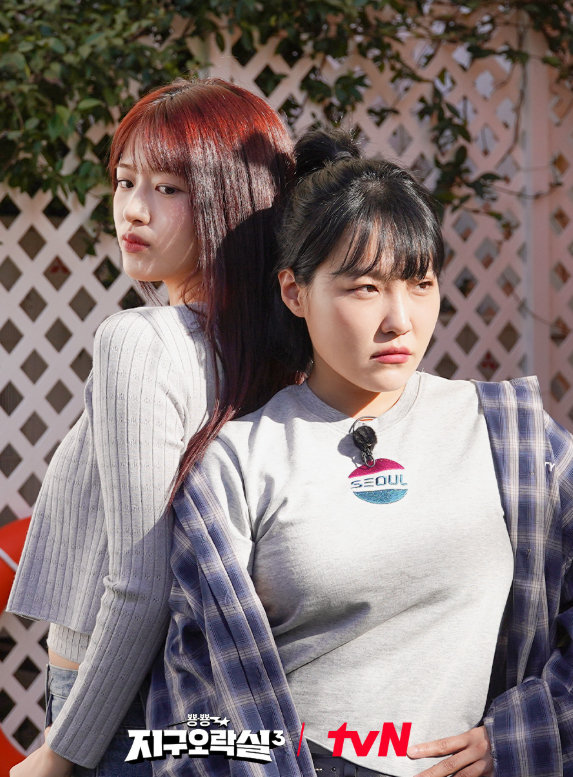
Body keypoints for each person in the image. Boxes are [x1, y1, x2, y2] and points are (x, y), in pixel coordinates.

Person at [149, 128, 573, 777]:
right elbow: (190, 700)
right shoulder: (239, 461)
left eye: (419, 283)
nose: (399, 319)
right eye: (364, 288)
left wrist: (520, 734)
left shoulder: (510, 434)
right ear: (295, 292)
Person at [7, 77, 298, 777]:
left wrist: (60, 753)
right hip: (208, 700)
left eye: (168, 188)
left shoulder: (140, 341)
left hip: (112, 706)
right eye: (125, 181)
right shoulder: (275, 347)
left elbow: (138, 584)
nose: (133, 210)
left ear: (234, 200)